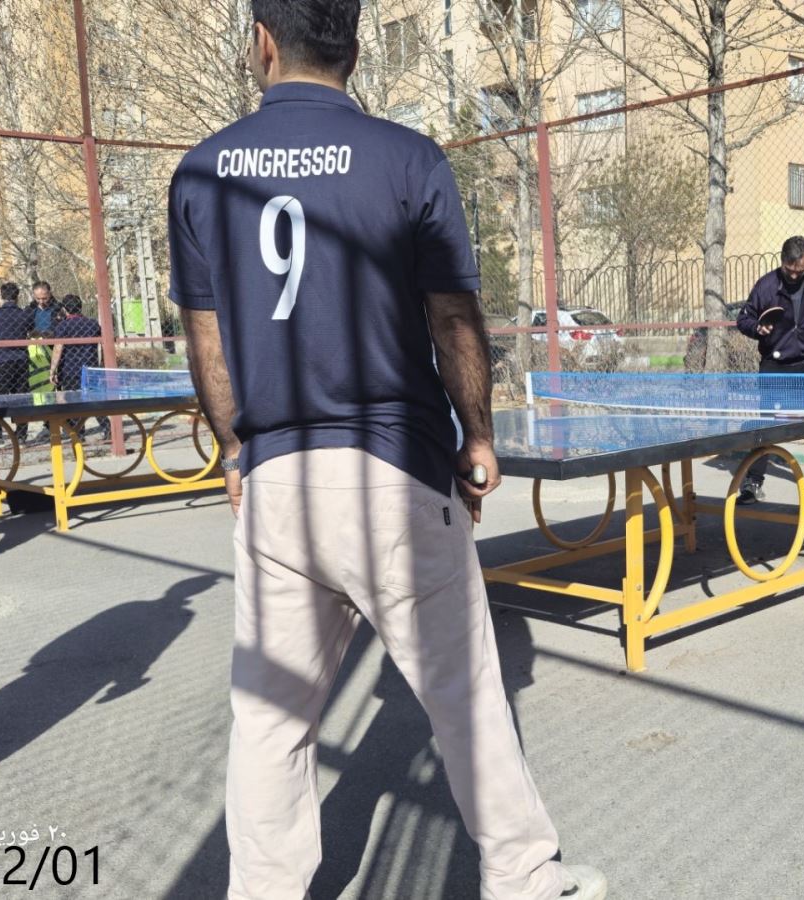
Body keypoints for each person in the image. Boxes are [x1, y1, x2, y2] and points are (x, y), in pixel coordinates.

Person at [165, 3, 606, 899]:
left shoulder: (203, 171)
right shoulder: (409, 159)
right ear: (357, 48)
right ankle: (524, 877)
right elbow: (454, 318)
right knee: (466, 697)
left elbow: (206, 340)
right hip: (393, 472)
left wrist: (235, 451)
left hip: (279, 480)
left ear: (262, 41)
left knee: (272, 719)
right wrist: (477, 437)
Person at [734, 235, 804, 503]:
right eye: (789, 269)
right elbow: (743, 319)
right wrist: (757, 329)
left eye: (800, 270)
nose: (794, 275)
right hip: (774, 364)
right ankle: (754, 481)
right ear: (782, 261)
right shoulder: (766, 286)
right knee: (765, 423)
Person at [49, 295, 106, 438]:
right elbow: (104, 344)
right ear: (80, 307)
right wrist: (103, 363)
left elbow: (58, 348)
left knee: (73, 402)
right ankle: (108, 428)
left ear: (64, 309)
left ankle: (78, 434)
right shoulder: (92, 324)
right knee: (95, 400)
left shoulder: (63, 326)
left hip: (70, 369)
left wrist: (52, 370)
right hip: (90, 368)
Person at [0, 282, 33, 443]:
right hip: (20, 360)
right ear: (17, 296)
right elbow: (31, 332)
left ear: (1, 295)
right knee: (21, 398)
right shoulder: (24, 315)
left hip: (0, 360)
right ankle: (21, 434)